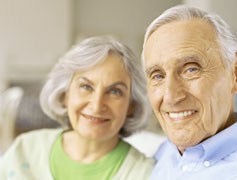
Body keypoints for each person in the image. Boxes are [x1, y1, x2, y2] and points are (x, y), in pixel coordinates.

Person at [142, 5, 237, 179]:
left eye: (191, 70)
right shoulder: (161, 155)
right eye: (157, 76)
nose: (171, 97)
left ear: (236, 73)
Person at [0, 36, 154, 180]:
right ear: (64, 95)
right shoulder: (25, 149)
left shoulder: (144, 172)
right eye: (86, 86)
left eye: (114, 91)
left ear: (131, 105)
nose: (97, 105)